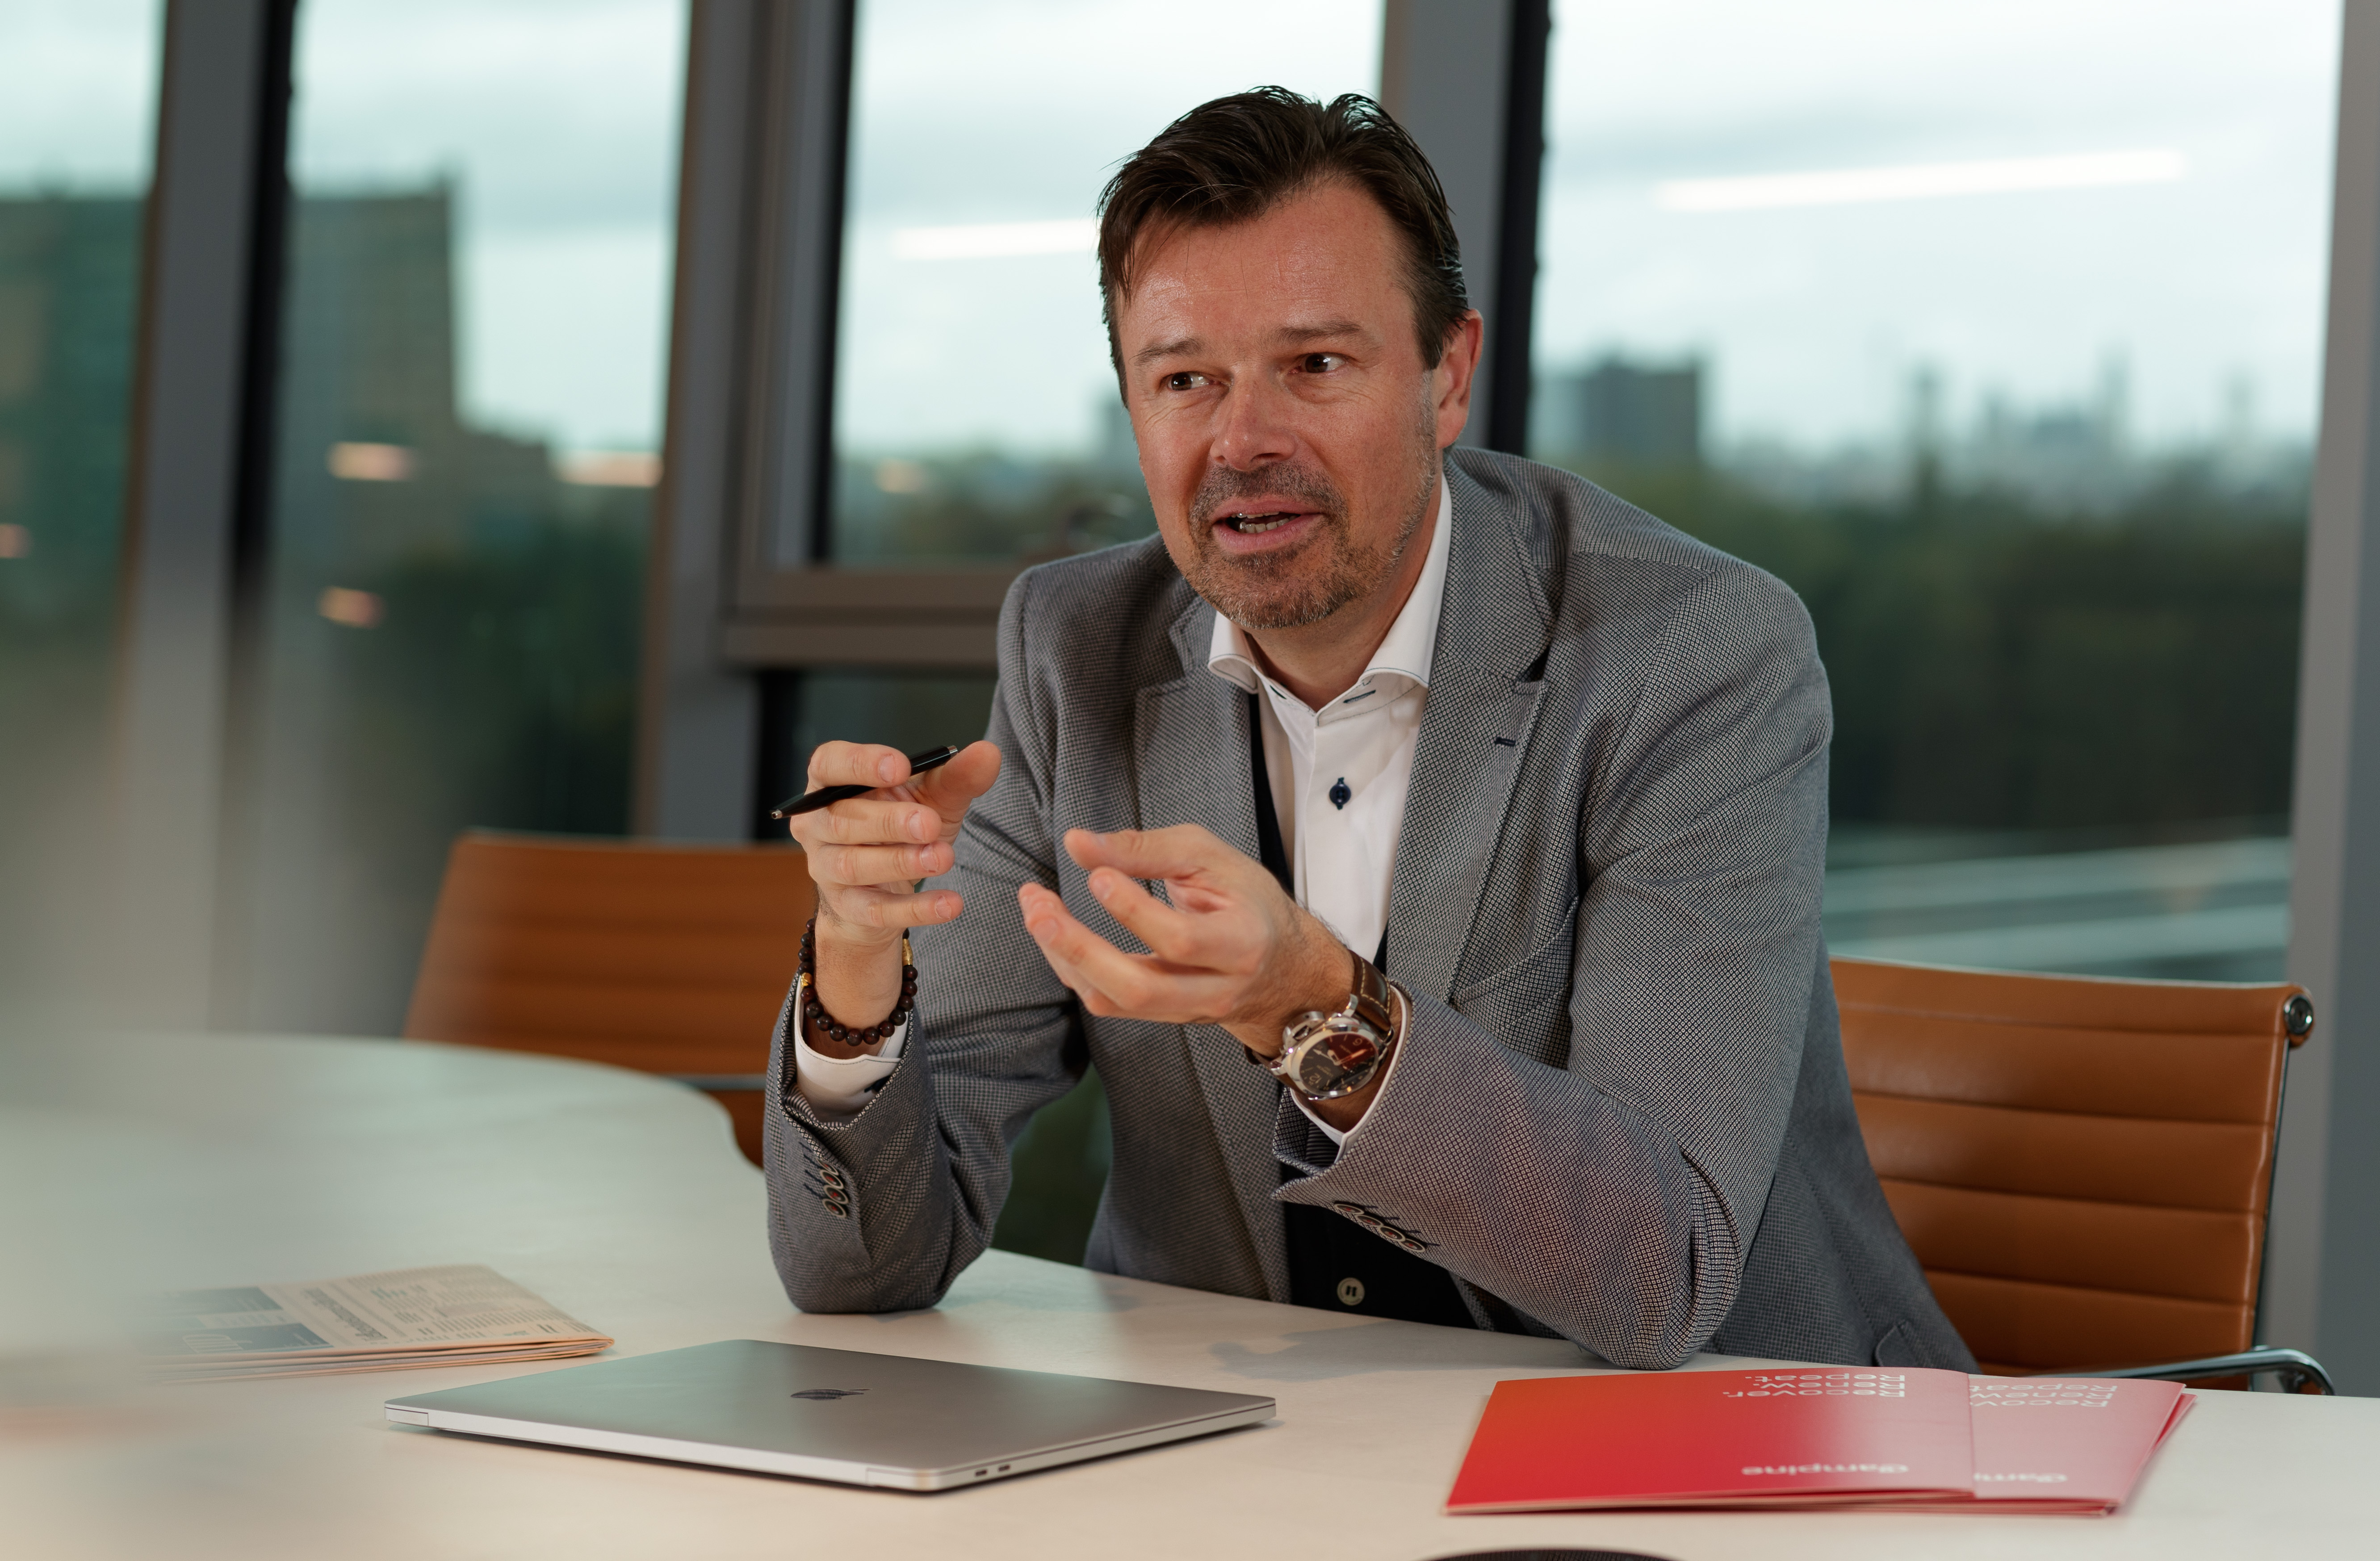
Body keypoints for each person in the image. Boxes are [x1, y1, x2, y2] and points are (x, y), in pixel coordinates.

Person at [766, 88, 1972, 1372]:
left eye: (1316, 366)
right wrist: (856, 969)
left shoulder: (1694, 654)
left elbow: (1662, 1270)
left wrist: (1315, 1009)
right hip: (1260, 1445)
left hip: (1708, 1435)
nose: (1243, 442)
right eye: (1186, 380)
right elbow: (864, 1271)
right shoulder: (1073, 650)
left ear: (1447, 377)